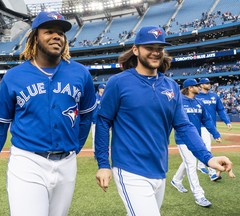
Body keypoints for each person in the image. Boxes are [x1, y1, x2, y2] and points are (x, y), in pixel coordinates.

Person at [94, 26, 235, 216]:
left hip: (160, 169)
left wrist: (208, 158)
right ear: (136, 50)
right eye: (149, 47)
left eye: (159, 48)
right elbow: (103, 122)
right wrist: (103, 164)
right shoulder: (118, 82)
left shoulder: (171, 86)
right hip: (129, 168)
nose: (155, 52)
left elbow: (184, 126)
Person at [0, 11, 96, 216]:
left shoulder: (80, 74)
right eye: (49, 31)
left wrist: (74, 147)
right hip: (28, 162)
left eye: (61, 33)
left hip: (67, 165)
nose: (57, 36)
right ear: (34, 37)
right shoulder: (14, 77)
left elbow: (86, 117)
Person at [171, 79, 222, 208]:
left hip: (196, 138)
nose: (199, 87)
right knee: (191, 165)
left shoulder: (199, 102)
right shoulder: (179, 101)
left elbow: (207, 120)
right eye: (196, 86)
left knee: (189, 161)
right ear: (188, 88)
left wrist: (215, 134)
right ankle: (199, 195)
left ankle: (176, 180)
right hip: (182, 139)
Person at [196, 77, 232, 181]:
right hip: (201, 126)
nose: (209, 84)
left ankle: (200, 165)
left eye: (209, 83)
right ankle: (213, 173)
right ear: (201, 85)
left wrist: (227, 121)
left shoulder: (214, 96)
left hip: (212, 126)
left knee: (205, 146)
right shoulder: (197, 96)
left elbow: (221, 110)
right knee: (207, 147)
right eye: (206, 83)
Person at [91, 83, 106, 154]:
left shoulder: (105, 97)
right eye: (103, 88)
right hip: (95, 120)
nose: (103, 89)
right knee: (94, 137)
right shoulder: (94, 97)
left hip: (103, 120)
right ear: (99, 89)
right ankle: (95, 152)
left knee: (104, 138)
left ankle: (104, 152)